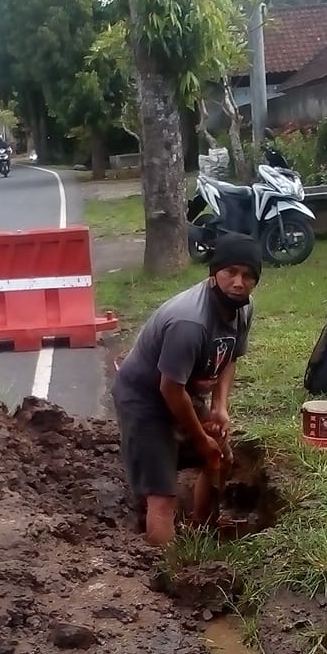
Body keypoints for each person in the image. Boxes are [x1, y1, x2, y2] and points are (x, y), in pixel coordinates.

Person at [112, 232, 262, 546]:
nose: (238, 282)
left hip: (181, 392)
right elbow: (169, 389)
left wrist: (220, 407)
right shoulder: (189, 322)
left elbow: (230, 357)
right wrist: (199, 437)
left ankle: (203, 531)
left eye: (248, 276)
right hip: (145, 398)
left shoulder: (243, 309)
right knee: (162, 496)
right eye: (231, 272)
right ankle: (165, 566)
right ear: (213, 273)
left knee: (219, 456)